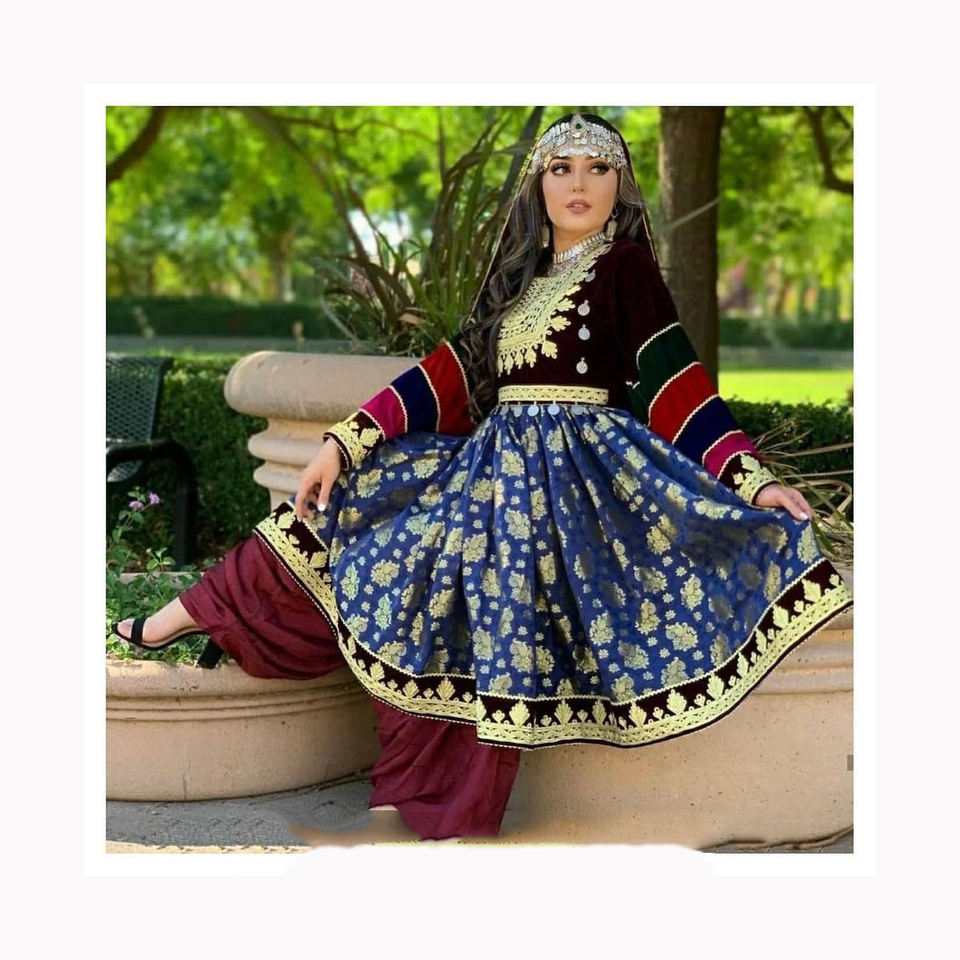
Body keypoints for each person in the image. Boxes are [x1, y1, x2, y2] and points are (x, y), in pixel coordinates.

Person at [112, 112, 854, 842]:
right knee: (357, 528)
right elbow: (450, 374)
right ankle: (197, 612)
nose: (579, 184)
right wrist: (346, 441)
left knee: (481, 624)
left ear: (621, 186)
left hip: (565, 489)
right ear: (538, 185)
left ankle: (424, 812)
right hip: (488, 475)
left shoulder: (624, 268)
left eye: (598, 168)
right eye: (561, 168)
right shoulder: (522, 279)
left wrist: (751, 481)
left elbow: (674, 384)